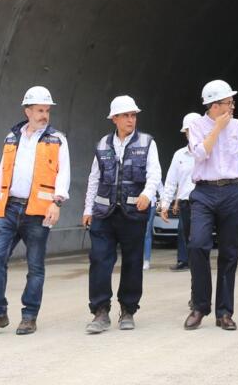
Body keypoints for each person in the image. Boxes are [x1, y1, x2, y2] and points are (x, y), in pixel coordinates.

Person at [0, 85, 71, 337]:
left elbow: (63, 174)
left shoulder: (57, 139)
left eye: (47, 110)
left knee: (35, 266)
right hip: (8, 209)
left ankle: (29, 316)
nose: (44, 115)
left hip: (38, 212)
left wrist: (56, 202)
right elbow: (3, 175)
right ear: (27, 111)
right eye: (39, 110)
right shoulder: (12, 138)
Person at [82, 95, 162, 332]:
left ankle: (128, 310)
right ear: (114, 118)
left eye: (133, 115)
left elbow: (154, 172)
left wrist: (147, 194)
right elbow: (94, 178)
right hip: (103, 213)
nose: (131, 119)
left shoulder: (147, 142)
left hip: (133, 212)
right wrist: (88, 209)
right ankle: (100, 311)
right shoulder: (103, 144)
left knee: (133, 261)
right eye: (126, 115)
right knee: (99, 260)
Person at [184, 79, 238, 331]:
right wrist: (217, 129)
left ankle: (224, 312)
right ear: (214, 106)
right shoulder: (196, 124)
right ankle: (200, 306)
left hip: (232, 191)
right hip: (204, 191)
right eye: (228, 102)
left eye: (232, 102)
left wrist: (236, 173)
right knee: (198, 244)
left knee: (229, 252)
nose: (232, 106)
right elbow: (200, 154)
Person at [159, 114, 198, 271]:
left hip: (204, 201)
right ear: (185, 133)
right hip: (185, 201)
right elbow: (171, 181)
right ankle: (183, 260)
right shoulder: (179, 155)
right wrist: (165, 204)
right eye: (189, 131)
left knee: (200, 235)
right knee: (183, 231)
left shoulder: (209, 152)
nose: (193, 134)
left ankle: (198, 261)